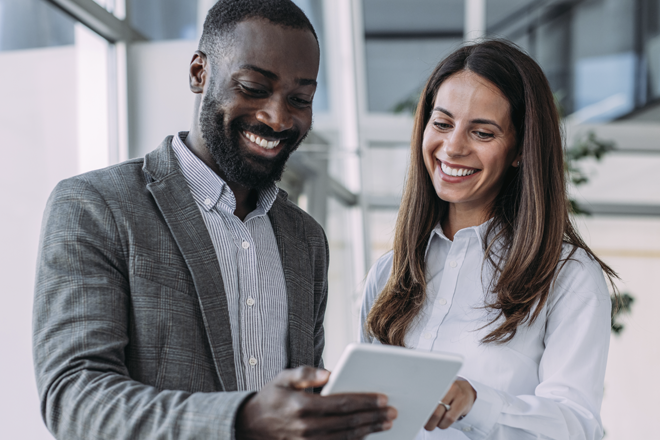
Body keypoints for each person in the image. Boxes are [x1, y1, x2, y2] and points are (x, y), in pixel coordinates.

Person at [33, 1, 396, 439]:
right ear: (199, 74)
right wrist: (244, 418)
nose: (278, 117)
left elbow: (296, 392)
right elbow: (74, 398)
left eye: (300, 99)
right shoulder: (96, 206)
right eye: (253, 87)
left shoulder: (306, 239)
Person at [359, 39, 616, 440]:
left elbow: (577, 426)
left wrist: (476, 402)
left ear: (519, 149)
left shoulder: (568, 276)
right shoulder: (389, 272)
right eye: (442, 123)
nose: (453, 147)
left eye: (482, 132)